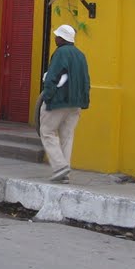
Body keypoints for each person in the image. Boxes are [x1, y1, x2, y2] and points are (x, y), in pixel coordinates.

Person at [39, 24, 90, 183]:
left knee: (47, 131)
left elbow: (52, 77)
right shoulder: (80, 55)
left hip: (58, 101)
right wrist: (84, 101)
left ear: (62, 38)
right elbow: (86, 80)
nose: (55, 38)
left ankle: (60, 167)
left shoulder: (60, 53)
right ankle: (65, 173)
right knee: (67, 136)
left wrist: (47, 96)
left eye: (57, 36)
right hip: (75, 104)